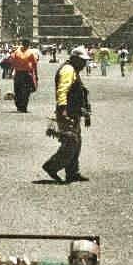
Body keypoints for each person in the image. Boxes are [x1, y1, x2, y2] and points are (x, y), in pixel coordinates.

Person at [42, 46, 91, 184]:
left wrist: (86, 113)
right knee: (71, 141)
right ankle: (51, 166)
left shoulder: (72, 69)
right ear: (74, 59)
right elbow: (62, 91)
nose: (84, 64)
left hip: (73, 112)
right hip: (67, 112)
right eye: (82, 61)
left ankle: (72, 172)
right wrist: (63, 110)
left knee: (76, 142)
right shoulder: (68, 70)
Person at [9, 39, 38, 113]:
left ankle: (23, 106)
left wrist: (35, 75)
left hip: (27, 74)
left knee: (26, 91)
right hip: (19, 73)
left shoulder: (30, 52)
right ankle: (19, 106)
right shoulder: (17, 52)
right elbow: (12, 62)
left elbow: (34, 65)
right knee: (18, 90)